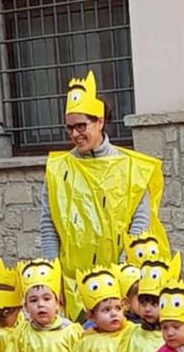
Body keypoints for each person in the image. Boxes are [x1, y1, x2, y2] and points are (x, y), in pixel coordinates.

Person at [42, 71, 170, 318]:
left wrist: (123, 272)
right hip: (74, 284)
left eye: (81, 126)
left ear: (99, 121)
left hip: (120, 284)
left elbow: (139, 225)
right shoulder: (58, 170)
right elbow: (49, 225)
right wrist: (51, 277)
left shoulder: (131, 167)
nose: (75, 134)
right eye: (69, 128)